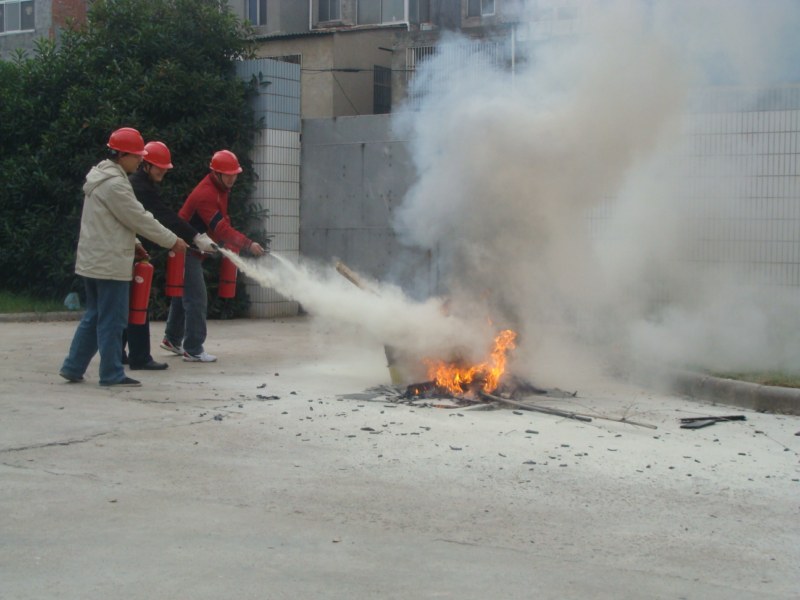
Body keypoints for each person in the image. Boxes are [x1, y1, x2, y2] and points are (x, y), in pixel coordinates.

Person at [59, 127, 189, 387]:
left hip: (94, 260)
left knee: (95, 315)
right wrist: (172, 240)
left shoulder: (101, 177)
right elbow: (138, 218)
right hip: (109, 263)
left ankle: (73, 367)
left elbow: (115, 223)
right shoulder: (116, 185)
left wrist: (136, 244)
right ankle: (111, 373)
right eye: (137, 156)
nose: (141, 160)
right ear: (123, 155)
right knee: (113, 320)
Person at [162, 149, 265, 363]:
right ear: (216, 173)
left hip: (190, 247)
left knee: (184, 295)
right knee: (197, 298)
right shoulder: (206, 194)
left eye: (235, 174)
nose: (233, 178)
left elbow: (222, 221)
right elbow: (221, 229)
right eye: (228, 174)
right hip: (185, 248)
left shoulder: (220, 188)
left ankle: (172, 339)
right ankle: (194, 349)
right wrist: (248, 244)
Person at [123, 141, 217, 370]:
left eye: (165, 167)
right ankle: (139, 357)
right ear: (145, 164)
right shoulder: (140, 187)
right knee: (132, 306)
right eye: (159, 167)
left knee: (127, 305)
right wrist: (193, 237)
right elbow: (162, 217)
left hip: (128, 248)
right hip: (122, 250)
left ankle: (121, 353)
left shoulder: (141, 184)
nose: (163, 171)